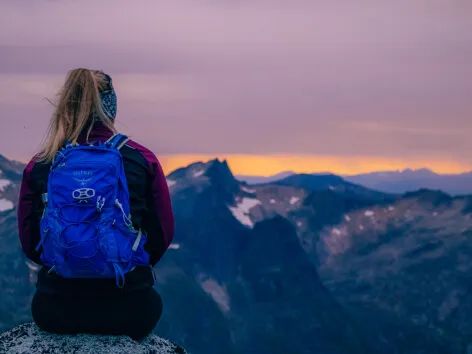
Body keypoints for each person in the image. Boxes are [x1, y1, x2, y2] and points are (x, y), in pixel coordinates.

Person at [17, 68, 175, 340]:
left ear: (66, 106)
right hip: (131, 307)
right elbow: (162, 234)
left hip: (56, 309)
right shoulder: (141, 158)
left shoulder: (42, 163)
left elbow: (31, 242)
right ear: (110, 108)